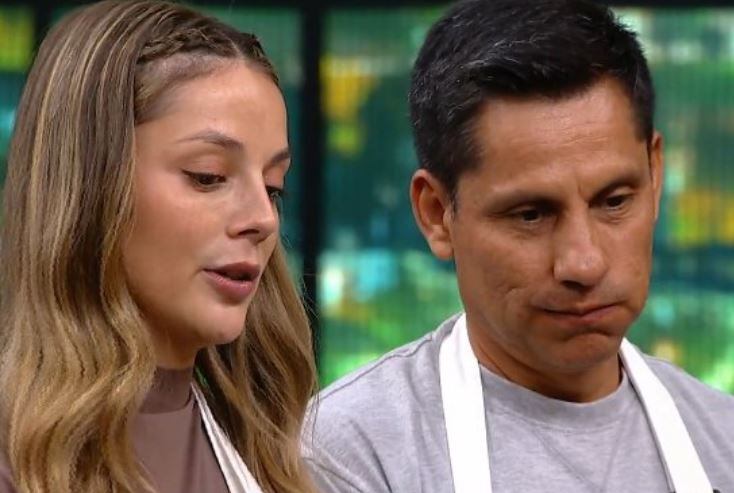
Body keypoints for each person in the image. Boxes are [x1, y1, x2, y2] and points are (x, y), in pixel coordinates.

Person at [303, 0, 734, 492]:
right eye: (530, 215)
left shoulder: (723, 439)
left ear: (655, 176)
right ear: (436, 214)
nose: (584, 262)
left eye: (614, 202)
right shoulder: (349, 456)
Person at [0, 1, 317, 493]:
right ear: (89, 187)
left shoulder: (270, 454)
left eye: (274, 186)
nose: (262, 219)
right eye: (208, 176)